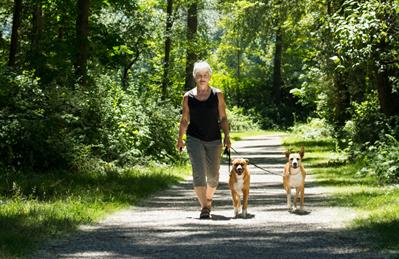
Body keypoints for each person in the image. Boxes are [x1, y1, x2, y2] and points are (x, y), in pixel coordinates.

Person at [176, 61, 231, 219]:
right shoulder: (188, 97)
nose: (202, 78)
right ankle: (205, 207)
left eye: (205, 75)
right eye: (199, 75)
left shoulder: (217, 94)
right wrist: (180, 138)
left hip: (214, 138)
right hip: (194, 138)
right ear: (194, 77)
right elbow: (185, 120)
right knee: (198, 173)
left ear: (209, 77)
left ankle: (208, 199)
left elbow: (223, 118)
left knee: (213, 176)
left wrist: (227, 136)